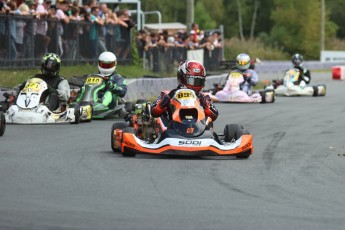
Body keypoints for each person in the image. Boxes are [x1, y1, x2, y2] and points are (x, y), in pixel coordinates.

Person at [151, 60, 218, 124]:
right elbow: (154, 112)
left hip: (198, 128)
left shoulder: (204, 97)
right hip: (171, 127)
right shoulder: (167, 94)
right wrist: (162, 103)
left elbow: (214, 115)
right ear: (181, 77)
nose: (194, 85)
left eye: (198, 81)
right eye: (191, 80)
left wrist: (206, 106)